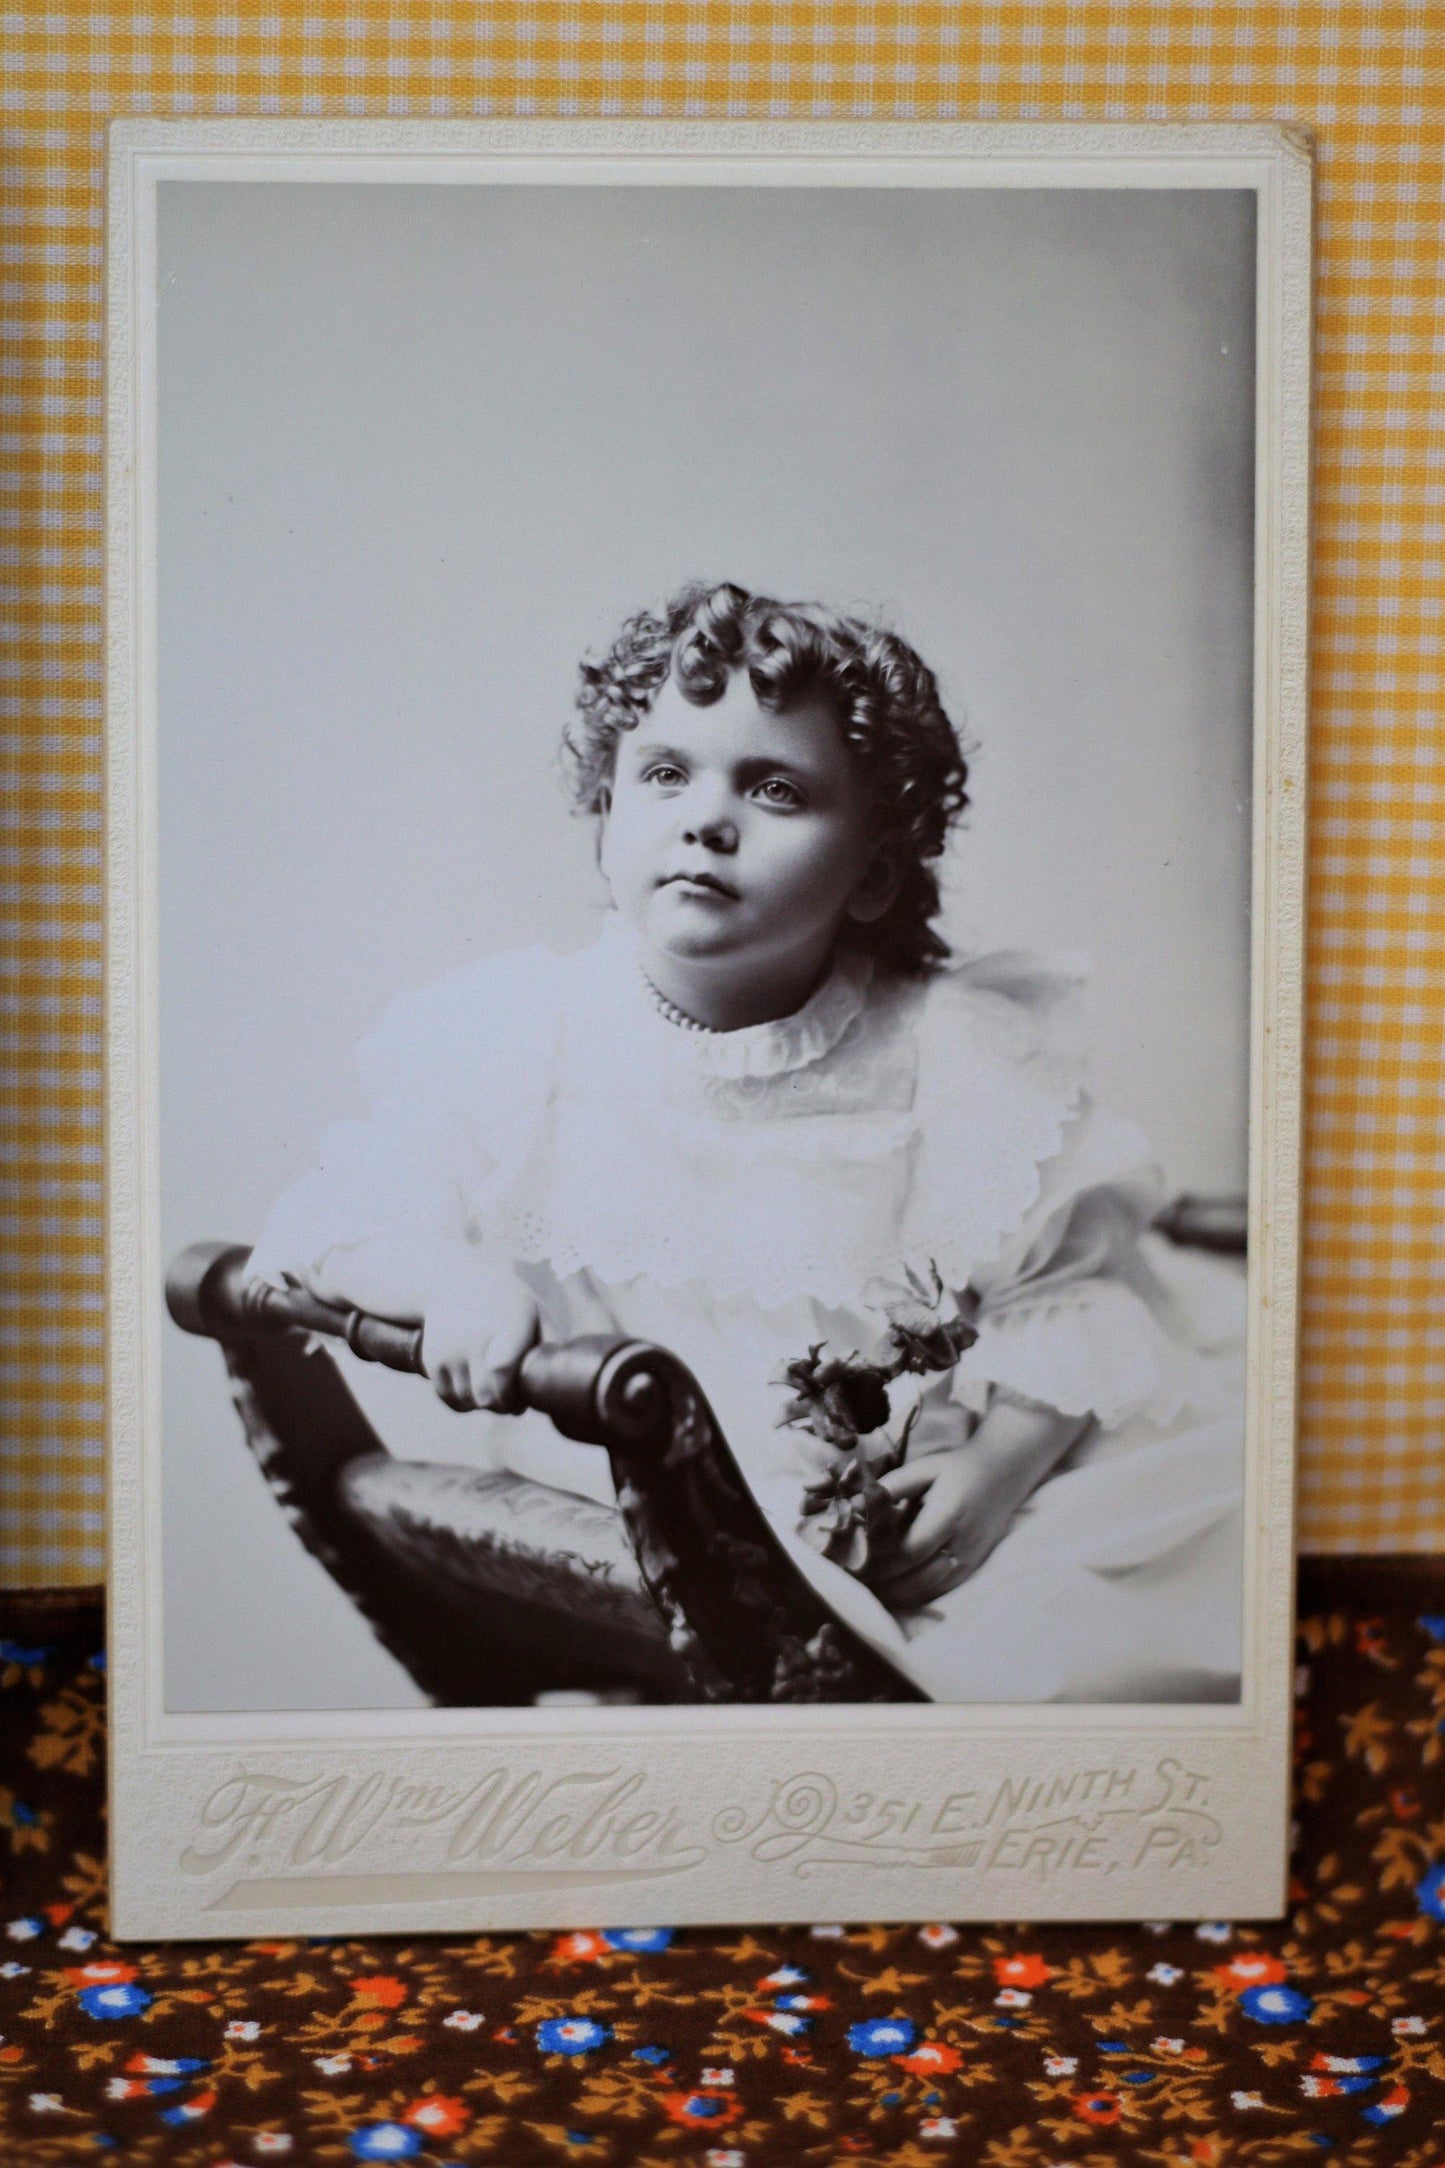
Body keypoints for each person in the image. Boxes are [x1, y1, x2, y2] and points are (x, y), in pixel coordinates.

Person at [247, 580, 1244, 1703]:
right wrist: (447, 1279)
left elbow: (1068, 1298)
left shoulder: (953, 1056)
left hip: (940, 1506)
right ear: (607, 817)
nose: (705, 818)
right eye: (664, 773)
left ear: (871, 871)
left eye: (773, 788)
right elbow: (333, 1218)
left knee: (1094, 1636)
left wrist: (994, 1468)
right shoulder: (513, 1040)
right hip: (672, 1525)